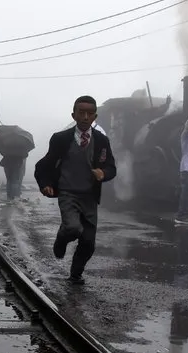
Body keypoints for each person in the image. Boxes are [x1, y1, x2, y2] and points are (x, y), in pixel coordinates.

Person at [34, 95, 116, 285]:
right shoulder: (60, 139)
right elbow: (44, 165)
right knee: (72, 228)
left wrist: (103, 173)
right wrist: (46, 183)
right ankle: (62, 237)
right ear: (74, 115)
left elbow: (112, 167)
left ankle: (76, 274)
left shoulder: (102, 141)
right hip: (67, 193)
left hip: (90, 197)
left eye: (90, 113)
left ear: (95, 117)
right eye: (81, 113)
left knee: (88, 242)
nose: (85, 117)